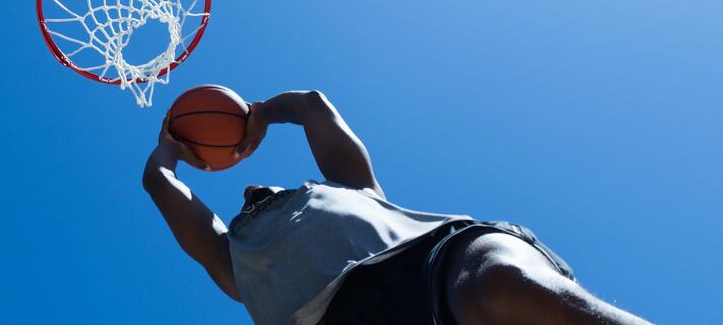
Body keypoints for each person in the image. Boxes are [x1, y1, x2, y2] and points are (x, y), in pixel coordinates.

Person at [142, 89, 652, 324]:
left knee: (500, 283)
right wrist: (171, 148)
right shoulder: (231, 260)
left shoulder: (351, 188)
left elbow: (312, 105)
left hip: (432, 260)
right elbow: (158, 181)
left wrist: (262, 114)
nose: (250, 191)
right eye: (246, 202)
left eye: (266, 189)